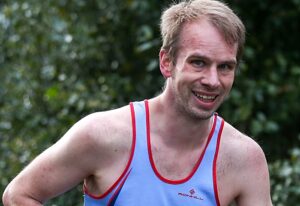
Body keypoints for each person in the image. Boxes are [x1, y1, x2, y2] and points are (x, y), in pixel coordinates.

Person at [2, 0, 273, 205]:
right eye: (198, 62)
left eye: (225, 67)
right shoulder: (103, 135)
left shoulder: (244, 159)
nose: (213, 80)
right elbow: (19, 195)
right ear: (167, 62)